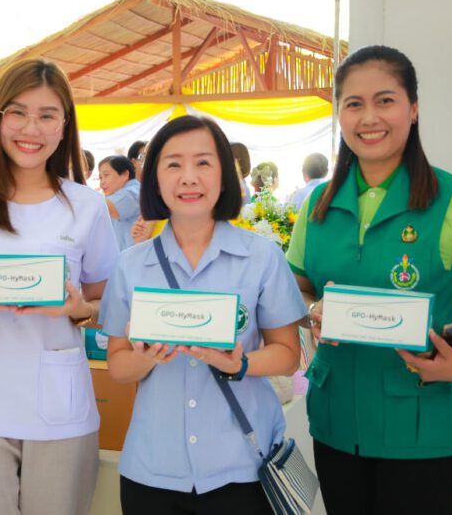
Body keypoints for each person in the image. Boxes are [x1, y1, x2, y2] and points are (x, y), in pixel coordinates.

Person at [286, 45, 452, 514]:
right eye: (354, 103)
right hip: (337, 422)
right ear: (340, 115)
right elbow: (295, 288)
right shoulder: (317, 206)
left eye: (385, 100)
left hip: (425, 423)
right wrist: (312, 311)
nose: (369, 117)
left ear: (413, 109)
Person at [0, 59, 118, 515]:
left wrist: (76, 308)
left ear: (64, 126)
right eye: (18, 112)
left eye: (47, 115)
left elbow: (105, 305)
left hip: (60, 405)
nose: (31, 128)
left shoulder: (87, 206)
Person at [100, 115, 305, 515]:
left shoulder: (262, 257)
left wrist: (240, 363)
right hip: (153, 469)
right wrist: (146, 358)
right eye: (174, 164)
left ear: (225, 175)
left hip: (243, 468)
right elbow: (118, 366)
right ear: (154, 179)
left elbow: (287, 354)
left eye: (203, 163)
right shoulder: (130, 265)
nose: (189, 177)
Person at [99, 155, 140, 251]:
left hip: (133, 257)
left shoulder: (133, 192)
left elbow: (102, 207)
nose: (102, 182)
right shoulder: (115, 195)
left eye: (106, 175)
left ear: (125, 174)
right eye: (100, 178)